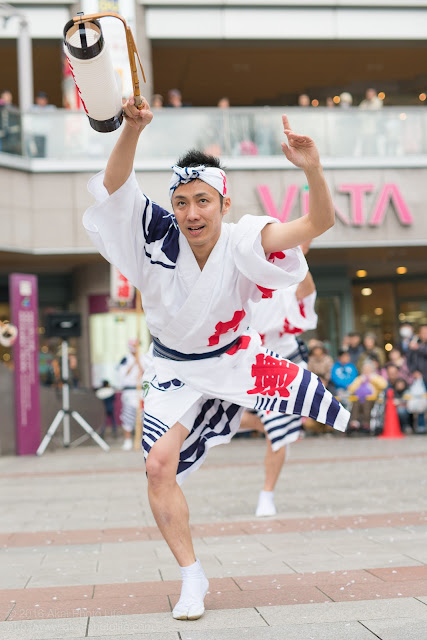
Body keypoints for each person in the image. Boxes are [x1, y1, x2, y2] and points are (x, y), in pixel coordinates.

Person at [82, 94, 349, 620]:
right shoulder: (154, 234)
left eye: (203, 201)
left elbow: (316, 223)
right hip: (172, 367)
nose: (190, 212)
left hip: (235, 359)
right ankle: (191, 576)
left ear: (224, 204)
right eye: (182, 201)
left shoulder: (246, 240)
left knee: (315, 411)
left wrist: (313, 169)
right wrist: (131, 130)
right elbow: (115, 190)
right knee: (158, 465)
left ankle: (269, 457)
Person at [239, 265, 318, 517]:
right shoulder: (240, 282)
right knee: (220, 416)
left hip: (284, 366)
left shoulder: (285, 284)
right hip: (248, 363)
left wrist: (297, 256)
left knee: (277, 434)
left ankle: (267, 493)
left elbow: (307, 290)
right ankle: (267, 426)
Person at [117, 339, 145, 451]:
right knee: (128, 416)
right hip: (129, 391)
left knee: (143, 416)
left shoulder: (144, 358)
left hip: (141, 391)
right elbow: (123, 374)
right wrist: (134, 362)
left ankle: (143, 440)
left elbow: (145, 372)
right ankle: (128, 441)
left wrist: (138, 361)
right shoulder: (125, 359)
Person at [347, 361, 387, 435]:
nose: (366, 371)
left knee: (366, 403)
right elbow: (351, 389)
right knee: (355, 403)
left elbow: (383, 385)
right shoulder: (359, 378)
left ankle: (366, 423)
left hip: (372, 399)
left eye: (368, 369)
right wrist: (360, 382)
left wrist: (373, 379)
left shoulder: (376, 377)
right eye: (365, 369)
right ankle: (354, 422)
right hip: (359, 399)